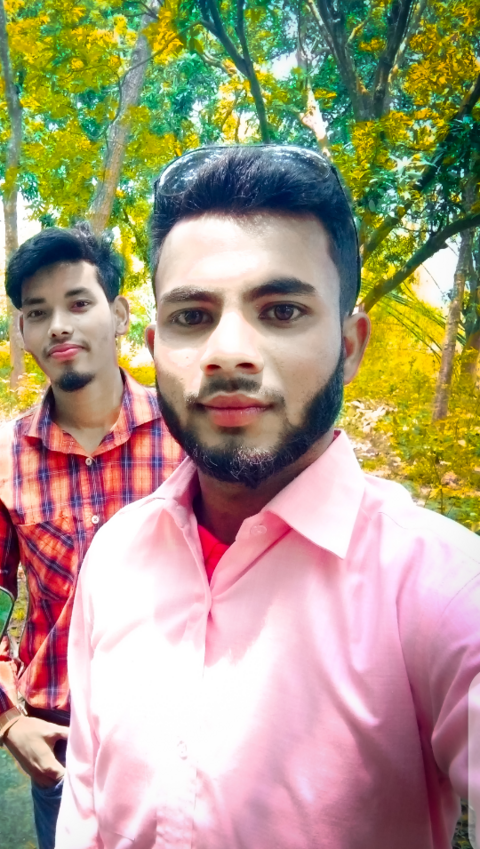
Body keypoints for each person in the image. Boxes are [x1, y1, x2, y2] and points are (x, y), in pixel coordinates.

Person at [56, 147, 480, 849]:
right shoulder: (114, 555)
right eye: (192, 316)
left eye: (282, 311)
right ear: (155, 346)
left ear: (350, 345)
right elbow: (86, 800)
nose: (228, 352)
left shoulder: (442, 589)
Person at [0, 223, 183, 849]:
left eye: (79, 303)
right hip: (60, 735)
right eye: (38, 312)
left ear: (120, 314)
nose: (59, 326)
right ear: (23, 331)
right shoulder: (2, 460)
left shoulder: (185, 436)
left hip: (181, 724)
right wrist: (6, 717)